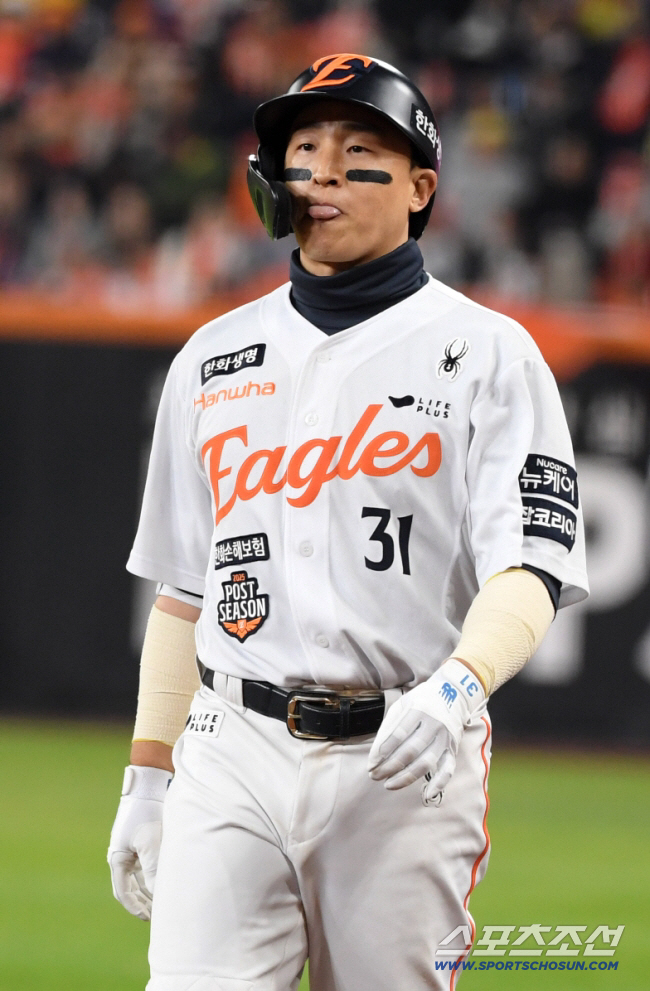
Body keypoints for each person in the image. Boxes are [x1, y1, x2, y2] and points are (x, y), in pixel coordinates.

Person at [108, 54, 589, 991]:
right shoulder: (211, 357)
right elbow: (183, 588)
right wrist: (148, 772)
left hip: (405, 753)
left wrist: (459, 687)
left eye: (359, 151)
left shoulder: (490, 354)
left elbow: (530, 569)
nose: (323, 171)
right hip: (231, 745)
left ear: (420, 188)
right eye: (304, 149)